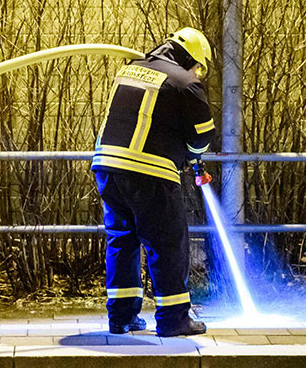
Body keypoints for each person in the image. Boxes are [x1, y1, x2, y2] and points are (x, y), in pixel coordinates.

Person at [91, 27, 216, 337]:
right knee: (168, 244)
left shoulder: (130, 69)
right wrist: (193, 156)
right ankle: (174, 320)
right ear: (191, 59)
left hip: (108, 167)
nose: (196, 73)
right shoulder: (185, 82)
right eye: (198, 67)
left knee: (122, 241)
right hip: (149, 172)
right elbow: (203, 136)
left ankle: (121, 317)